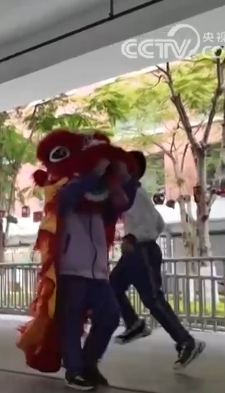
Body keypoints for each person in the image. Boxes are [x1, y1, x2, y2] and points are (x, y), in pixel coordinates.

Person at [111, 151, 205, 369]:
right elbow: (159, 222)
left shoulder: (136, 193)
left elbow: (153, 225)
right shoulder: (129, 192)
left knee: (152, 299)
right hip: (134, 252)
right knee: (113, 285)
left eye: (122, 164)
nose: (116, 167)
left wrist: (133, 237)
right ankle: (134, 324)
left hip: (142, 252)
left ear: (132, 169)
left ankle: (186, 341)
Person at [55, 159, 137, 390]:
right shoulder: (66, 188)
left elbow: (122, 204)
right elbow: (67, 198)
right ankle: (74, 371)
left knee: (110, 315)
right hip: (71, 270)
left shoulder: (101, 200)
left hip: (98, 273)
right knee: (71, 322)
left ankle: (88, 364)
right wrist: (93, 173)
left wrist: (125, 179)